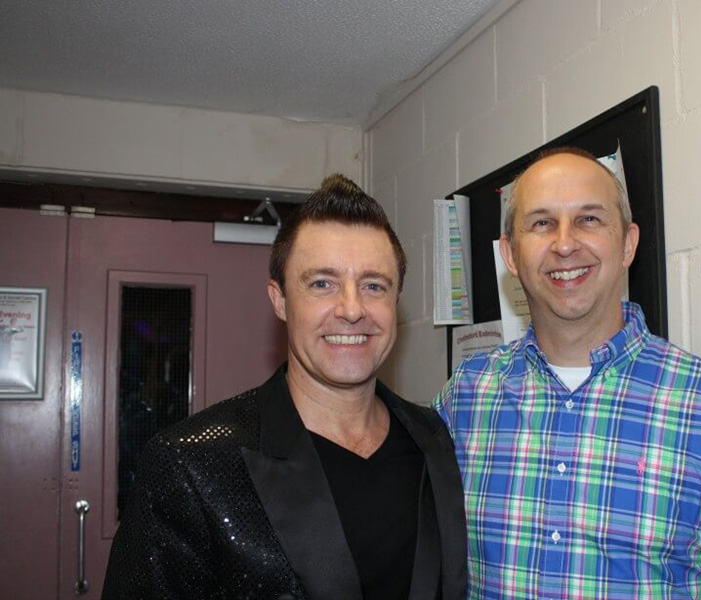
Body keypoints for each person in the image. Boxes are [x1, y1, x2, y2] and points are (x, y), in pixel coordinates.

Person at [435, 148, 701, 598]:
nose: (565, 244)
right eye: (542, 223)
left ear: (627, 244)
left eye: (589, 219)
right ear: (510, 254)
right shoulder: (465, 397)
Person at [103, 175, 467, 600]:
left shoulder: (435, 439)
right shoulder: (189, 465)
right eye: (322, 284)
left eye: (373, 285)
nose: (352, 309)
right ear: (280, 300)